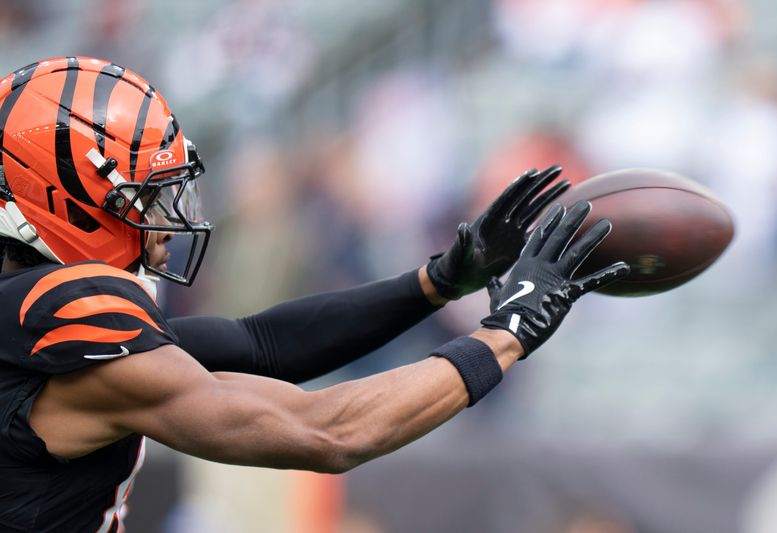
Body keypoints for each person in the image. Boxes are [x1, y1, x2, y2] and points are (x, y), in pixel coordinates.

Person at [0, 57, 629, 532]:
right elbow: (327, 433)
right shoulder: (63, 323)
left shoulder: (26, 315)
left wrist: (437, 281)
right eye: (140, 201)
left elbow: (260, 343)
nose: (162, 230)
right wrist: (507, 333)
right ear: (62, 204)